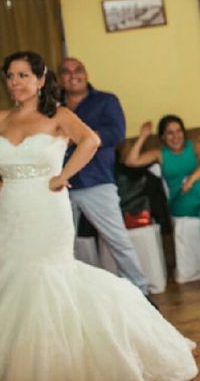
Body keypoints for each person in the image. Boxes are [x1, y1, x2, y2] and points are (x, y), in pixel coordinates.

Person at [0, 51, 198, 380]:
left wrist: (63, 175)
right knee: (12, 278)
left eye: (23, 75)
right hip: (10, 211)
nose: (16, 82)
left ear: (39, 79)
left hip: (48, 207)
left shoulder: (58, 115)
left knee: (52, 275)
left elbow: (90, 141)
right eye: (10, 76)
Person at [58, 57, 151, 301]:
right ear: (60, 78)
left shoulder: (105, 101)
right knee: (61, 245)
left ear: (86, 74)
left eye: (77, 70)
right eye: (66, 72)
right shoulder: (53, 106)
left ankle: (141, 291)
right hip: (58, 185)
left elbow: (116, 134)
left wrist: (79, 137)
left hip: (96, 180)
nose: (73, 75)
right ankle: (70, 298)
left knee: (118, 240)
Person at [125, 115, 200, 287]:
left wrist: (191, 180)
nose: (175, 136)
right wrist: (143, 136)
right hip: (180, 201)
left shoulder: (195, 145)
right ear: (162, 137)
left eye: (178, 131)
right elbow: (131, 161)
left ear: (183, 132)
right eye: (169, 133)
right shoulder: (160, 154)